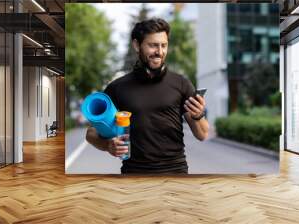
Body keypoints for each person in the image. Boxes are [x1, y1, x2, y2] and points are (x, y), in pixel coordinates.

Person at [86, 18, 209, 174]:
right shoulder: (117, 87)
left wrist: (198, 115)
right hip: (134, 174)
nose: (159, 51)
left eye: (164, 45)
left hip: (175, 172)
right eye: (153, 45)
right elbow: (91, 133)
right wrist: (107, 145)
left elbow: (203, 134)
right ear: (137, 45)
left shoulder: (181, 83)